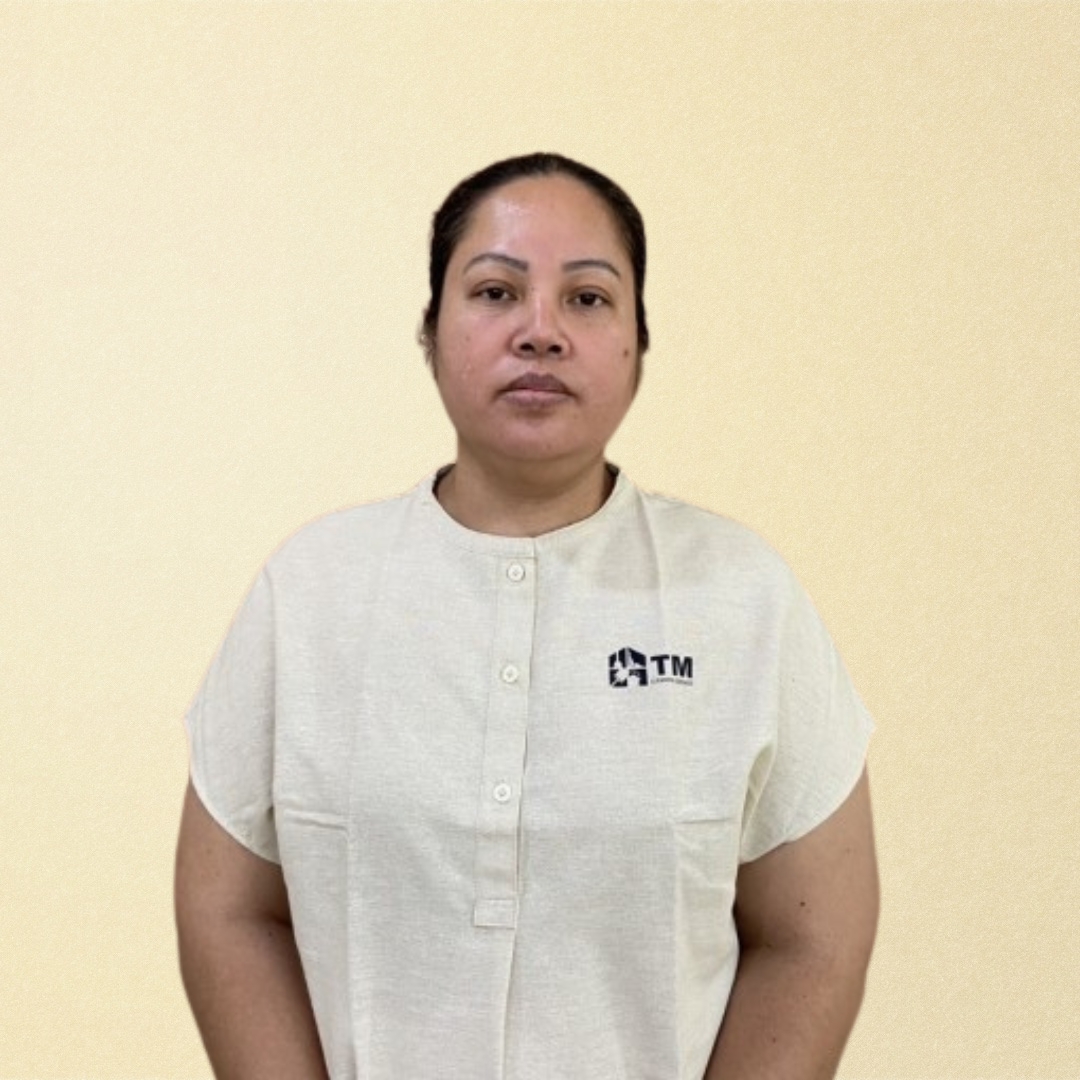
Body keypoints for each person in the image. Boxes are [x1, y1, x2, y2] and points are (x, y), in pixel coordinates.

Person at [175, 152, 879, 1080]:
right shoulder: (311, 590)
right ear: (431, 331)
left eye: (587, 299)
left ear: (638, 343)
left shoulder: (741, 595)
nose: (540, 332)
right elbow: (229, 908)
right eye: (496, 292)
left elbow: (813, 937)